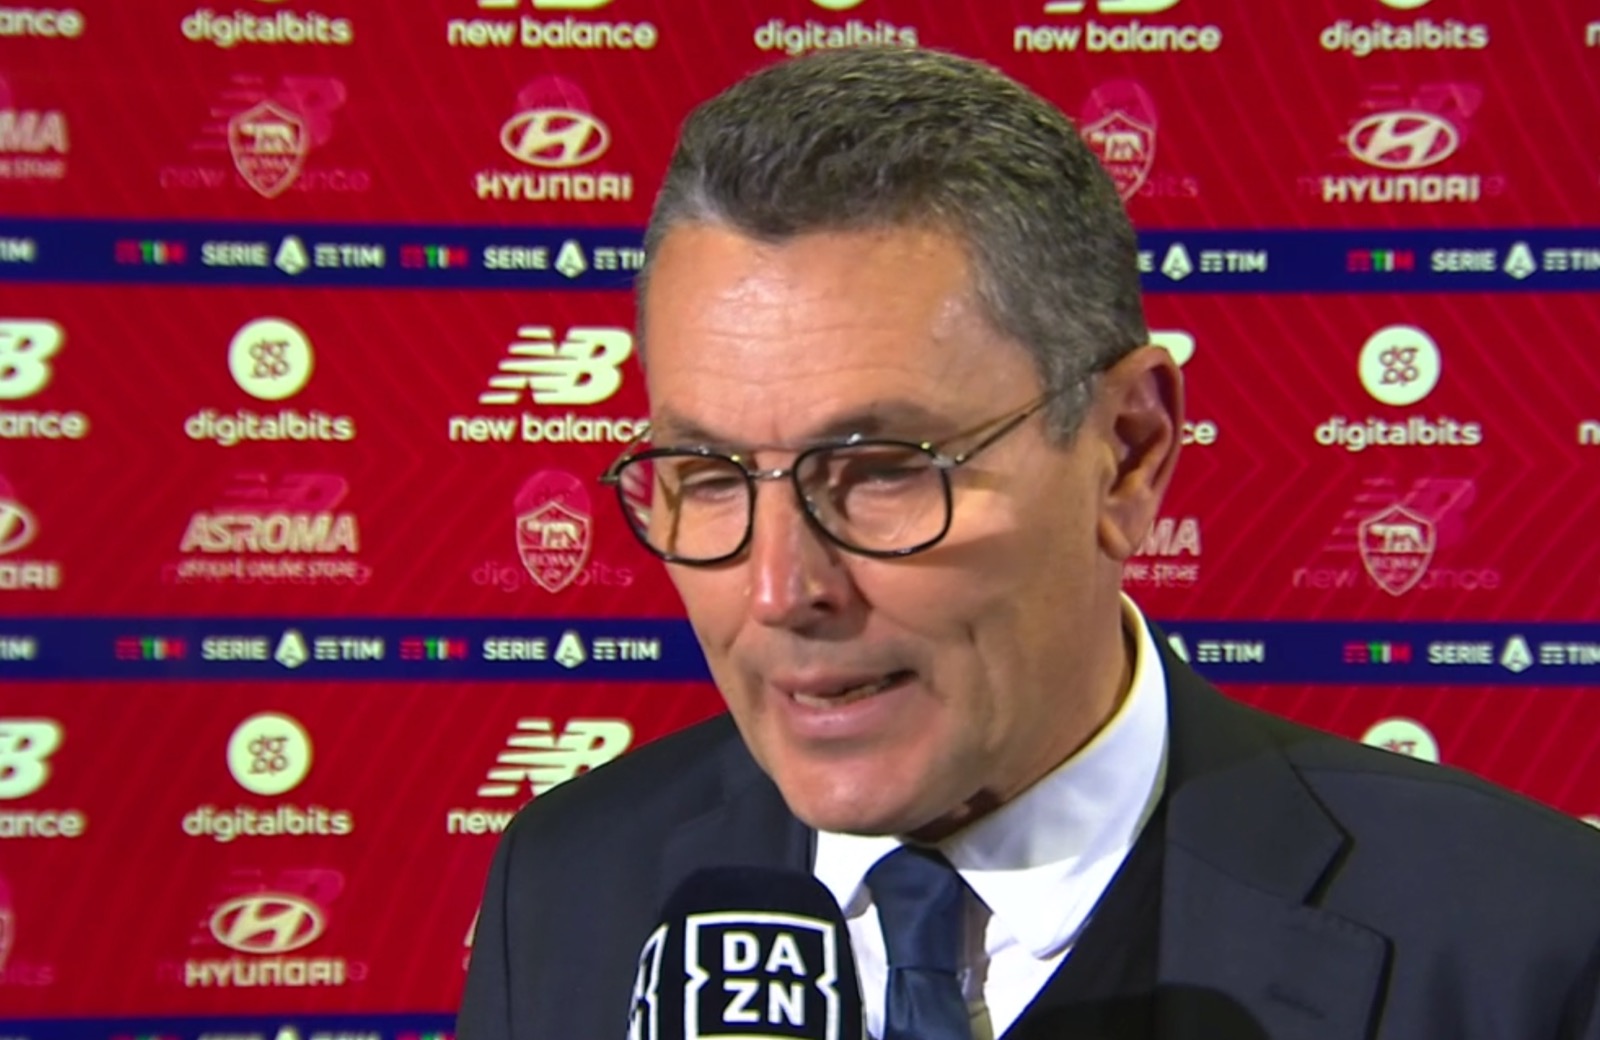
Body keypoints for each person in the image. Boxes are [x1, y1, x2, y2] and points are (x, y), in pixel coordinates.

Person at [458, 47, 1600, 1040]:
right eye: (710, 478)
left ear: (1127, 451)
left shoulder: (1526, 946)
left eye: (881, 469)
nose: (778, 589)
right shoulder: (569, 883)